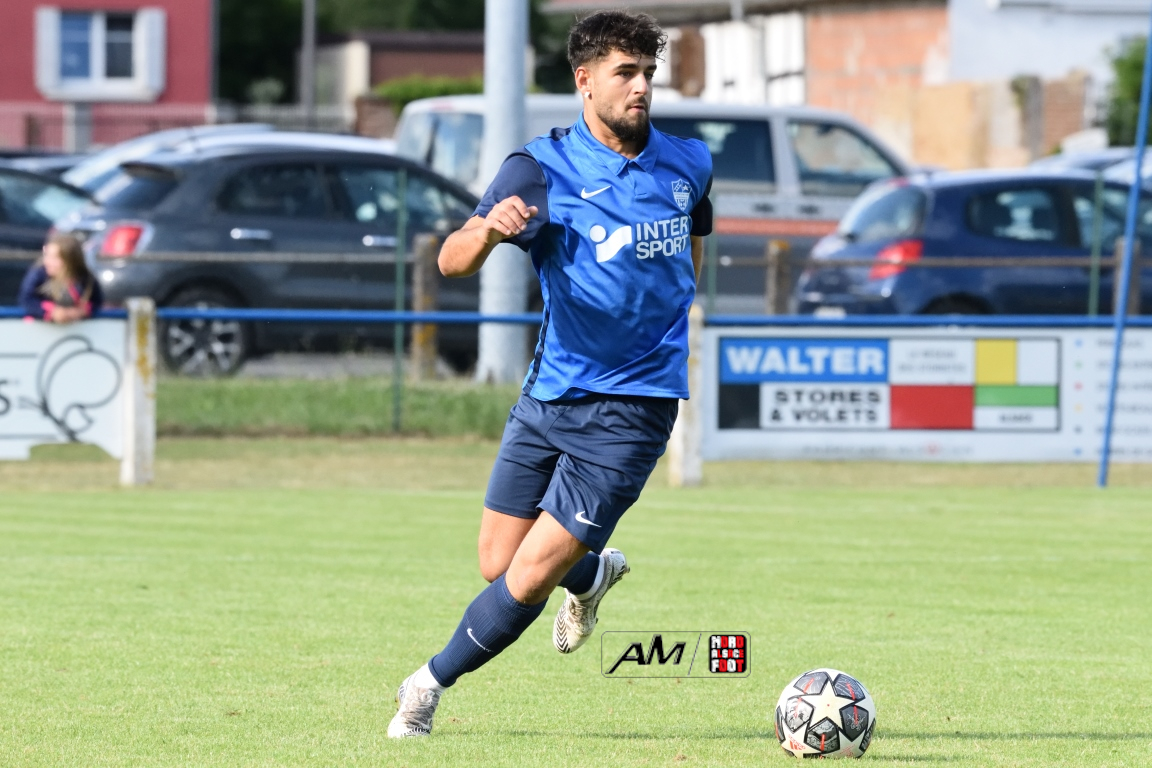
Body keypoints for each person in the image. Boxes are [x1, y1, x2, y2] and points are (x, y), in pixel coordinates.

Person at [388, 9, 713, 738]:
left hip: (634, 409)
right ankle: (593, 575)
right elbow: (450, 260)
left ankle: (424, 686)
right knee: (497, 562)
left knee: (529, 576)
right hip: (549, 392)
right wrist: (486, 230)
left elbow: (694, 239)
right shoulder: (539, 169)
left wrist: (669, 315)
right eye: (625, 73)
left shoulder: (689, 162)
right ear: (585, 80)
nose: (641, 87)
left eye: (648, 73)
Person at [19, 233, 103, 323]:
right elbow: (26, 299)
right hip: (39, 326)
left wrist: (81, 311)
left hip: (76, 328)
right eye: (46, 255)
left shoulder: (85, 278)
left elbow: (96, 301)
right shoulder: (39, 275)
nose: (47, 261)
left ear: (71, 261)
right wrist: (51, 312)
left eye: (55, 258)